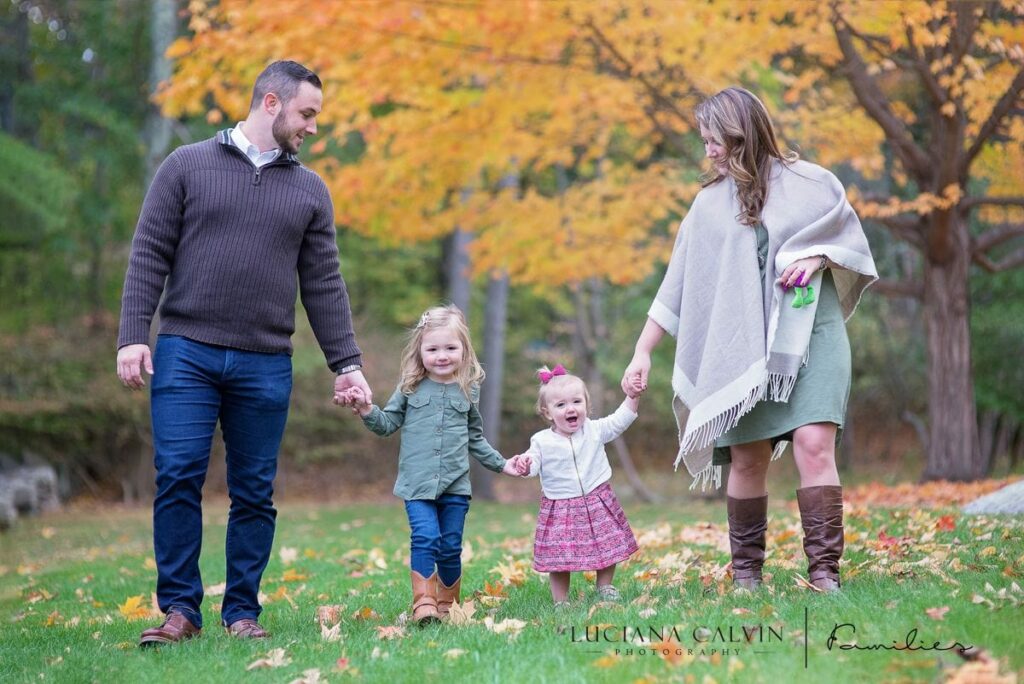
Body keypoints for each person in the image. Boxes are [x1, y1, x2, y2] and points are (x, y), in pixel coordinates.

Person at [116, 60, 371, 645]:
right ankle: (180, 610)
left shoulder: (310, 190)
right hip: (186, 352)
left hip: (264, 361)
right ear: (273, 103)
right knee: (178, 474)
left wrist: (347, 364)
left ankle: (241, 613)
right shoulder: (186, 166)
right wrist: (133, 333)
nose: (312, 127)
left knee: (254, 490)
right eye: (307, 114)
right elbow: (149, 251)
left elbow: (324, 283)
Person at [621, 87, 877, 592]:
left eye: (715, 140)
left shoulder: (812, 183)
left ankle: (824, 573)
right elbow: (677, 284)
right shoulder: (708, 206)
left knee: (814, 442)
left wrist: (816, 257)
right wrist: (642, 350)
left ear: (742, 133)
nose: (709, 151)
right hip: (743, 348)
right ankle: (746, 575)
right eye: (705, 141)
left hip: (811, 332)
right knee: (747, 457)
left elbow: (849, 241)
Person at [339, 304, 523, 625]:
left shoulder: (468, 390)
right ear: (419, 351)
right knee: (425, 538)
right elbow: (386, 424)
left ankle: (447, 605)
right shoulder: (409, 388)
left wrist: (502, 465)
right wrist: (368, 409)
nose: (442, 355)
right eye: (433, 348)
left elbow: (475, 438)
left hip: (455, 485)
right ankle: (423, 603)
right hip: (417, 485)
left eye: (450, 348)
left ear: (464, 350)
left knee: (450, 547)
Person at [510, 365, 641, 606]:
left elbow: (619, 421)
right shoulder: (541, 441)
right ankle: (561, 600)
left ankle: (605, 586)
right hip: (561, 505)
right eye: (560, 405)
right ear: (547, 412)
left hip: (597, 497)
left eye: (576, 402)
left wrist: (632, 397)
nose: (570, 409)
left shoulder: (594, 430)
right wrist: (525, 465)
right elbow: (534, 463)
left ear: (586, 406)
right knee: (559, 555)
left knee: (607, 542)